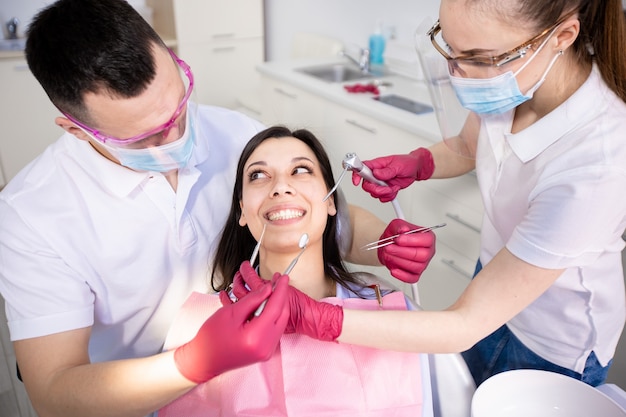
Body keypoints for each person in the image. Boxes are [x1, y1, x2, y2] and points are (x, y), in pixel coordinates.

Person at [0, 1, 436, 417]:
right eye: (145, 139)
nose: (174, 137)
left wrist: (383, 241)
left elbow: (322, 215)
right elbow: (54, 394)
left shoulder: (238, 137)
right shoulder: (31, 216)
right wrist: (192, 363)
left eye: (177, 107)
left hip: (241, 378)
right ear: (77, 130)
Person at [238, 0, 626, 388]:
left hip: (554, 337)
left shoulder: (597, 165)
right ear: (240, 210)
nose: (459, 74)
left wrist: (319, 318)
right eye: (450, 48)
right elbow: (467, 144)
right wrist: (418, 163)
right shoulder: (511, 76)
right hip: (490, 279)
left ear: (561, 37)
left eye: (476, 58)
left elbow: (464, 324)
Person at [157, 126, 428, 416]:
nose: (280, 187)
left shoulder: (390, 312)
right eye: (258, 175)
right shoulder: (197, 327)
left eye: (301, 170)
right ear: (242, 213)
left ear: (331, 203)